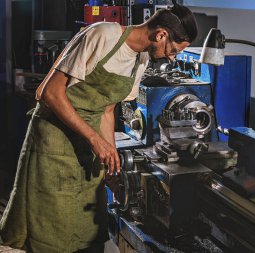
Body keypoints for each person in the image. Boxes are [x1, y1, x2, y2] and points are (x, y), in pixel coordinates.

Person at [0, 1, 198, 252]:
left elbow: (106, 111)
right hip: (54, 140)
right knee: (50, 227)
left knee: (87, 229)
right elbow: (48, 92)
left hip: (86, 141)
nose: (173, 57)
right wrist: (95, 141)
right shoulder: (103, 35)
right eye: (174, 50)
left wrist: (111, 163)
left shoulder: (140, 61)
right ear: (161, 35)